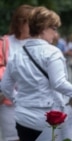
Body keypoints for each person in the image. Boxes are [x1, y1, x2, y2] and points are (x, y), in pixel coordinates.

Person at [1, 6, 72, 141]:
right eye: (54, 29)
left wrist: (19, 101)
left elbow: (5, 86)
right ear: (43, 28)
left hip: (23, 119)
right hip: (47, 119)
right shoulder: (52, 52)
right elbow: (59, 84)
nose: (55, 34)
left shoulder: (15, 55)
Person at [0, 4, 34, 141]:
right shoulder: (5, 43)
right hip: (10, 103)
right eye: (29, 23)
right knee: (12, 138)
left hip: (35, 102)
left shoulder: (38, 43)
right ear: (19, 23)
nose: (32, 27)